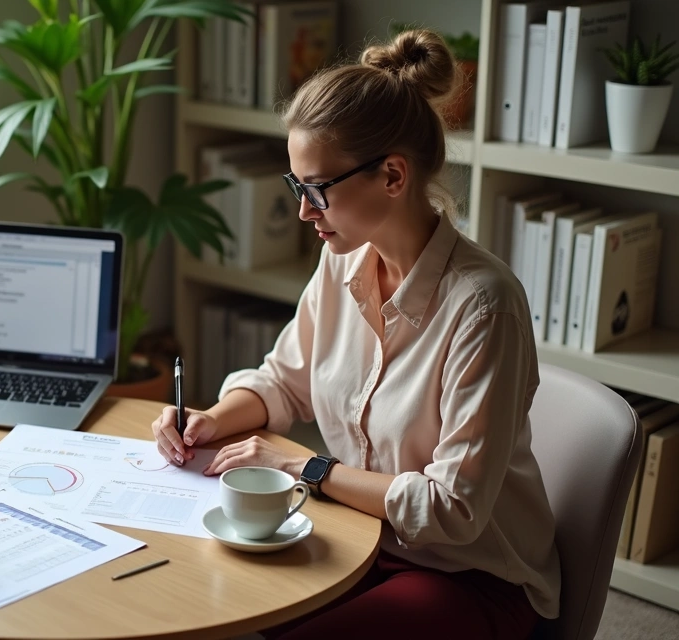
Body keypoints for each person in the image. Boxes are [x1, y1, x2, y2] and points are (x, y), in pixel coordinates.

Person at [150, 30, 561, 639]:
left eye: (317, 190)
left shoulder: (483, 306)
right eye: (297, 187)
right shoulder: (343, 260)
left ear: (393, 176)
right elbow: (282, 384)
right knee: (196, 601)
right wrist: (213, 419)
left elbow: (453, 512)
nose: (303, 213)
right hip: (356, 540)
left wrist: (305, 466)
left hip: (467, 576)